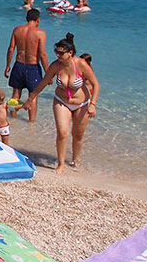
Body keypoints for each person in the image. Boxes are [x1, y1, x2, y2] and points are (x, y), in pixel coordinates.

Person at [26, 33, 99, 172]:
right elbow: (44, 82)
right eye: (56, 52)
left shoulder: (81, 64)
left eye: (61, 53)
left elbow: (96, 84)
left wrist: (93, 104)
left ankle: (75, 161)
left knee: (78, 135)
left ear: (70, 53)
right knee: (62, 133)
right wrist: (31, 99)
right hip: (61, 101)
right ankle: (60, 164)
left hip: (82, 103)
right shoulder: (56, 66)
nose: (57, 55)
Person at [5, 8, 48, 122]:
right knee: (33, 96)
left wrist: (8, 66)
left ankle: (12, 120)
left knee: (16, 94)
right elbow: (42, 54)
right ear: (38, 19)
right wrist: (48, 73)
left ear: (26, 18)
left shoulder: (17, 30)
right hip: (33, 67)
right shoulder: (40, 33)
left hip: (18, 65)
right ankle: (31, 123)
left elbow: (11, 49)